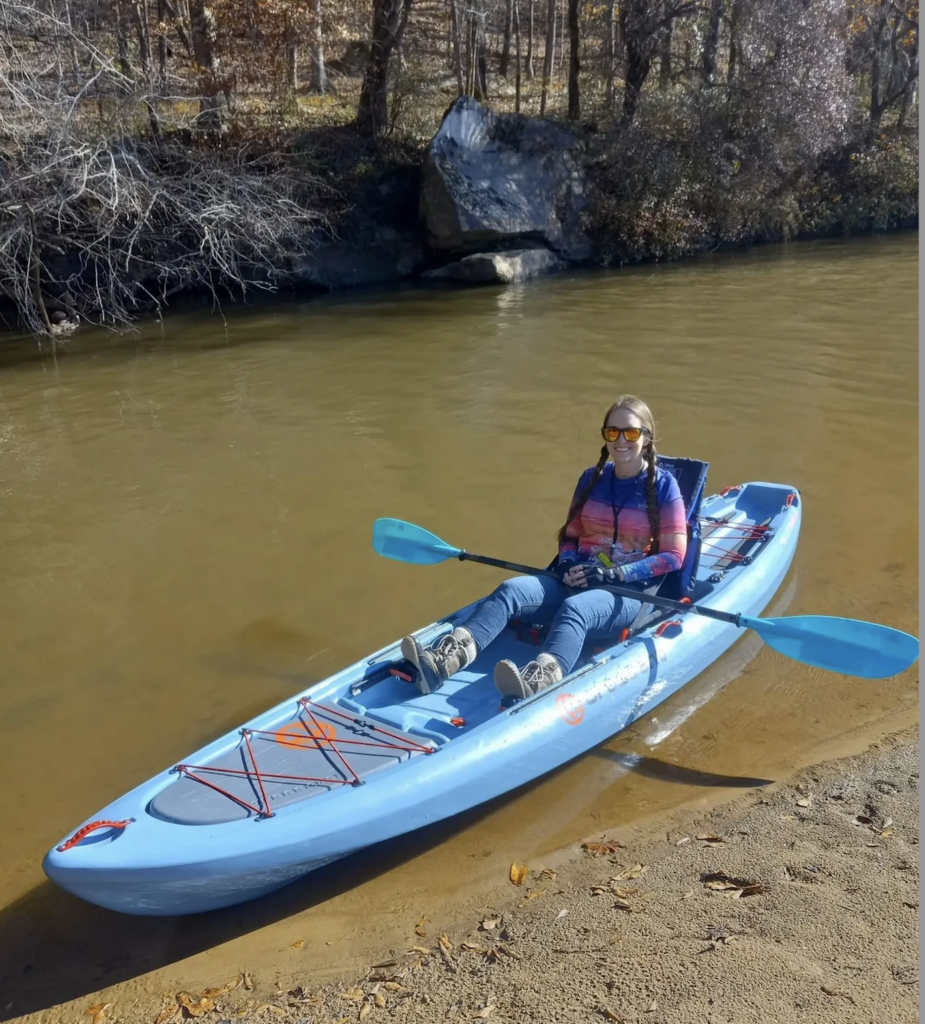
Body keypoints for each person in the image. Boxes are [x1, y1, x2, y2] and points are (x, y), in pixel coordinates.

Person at [401, 395, 688, 700]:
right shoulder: (591, 479)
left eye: (630, 432)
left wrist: (614, 575)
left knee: (576, 609)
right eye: (612, 432)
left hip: (625, 592)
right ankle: (443, 661)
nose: (620, 440)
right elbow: (569, 536)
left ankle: (537, 681)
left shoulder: (664, 486)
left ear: (647, 437)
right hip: (575, 578)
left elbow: (674, 556)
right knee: (511, 590)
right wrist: (567, 563)